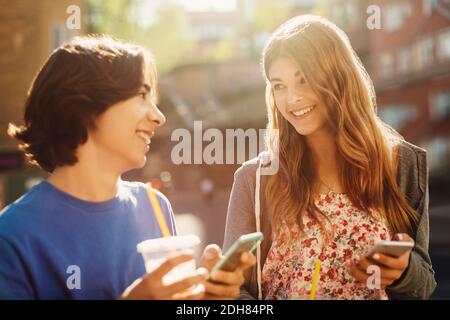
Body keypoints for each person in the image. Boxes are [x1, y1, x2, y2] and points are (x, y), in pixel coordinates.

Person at [0, 35, 255, 299]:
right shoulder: (13, 236)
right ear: (83, 105)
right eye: (142, 95)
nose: (159, 116)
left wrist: (207, 298)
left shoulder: (155, 206)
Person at [223, 15, 436, 300]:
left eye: (304, 80)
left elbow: (424, 287)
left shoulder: (401, 164)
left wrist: (404, 271)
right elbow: (230, 290)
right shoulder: (254, 179)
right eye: (279, 85)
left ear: (338, 78)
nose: (292, 98)